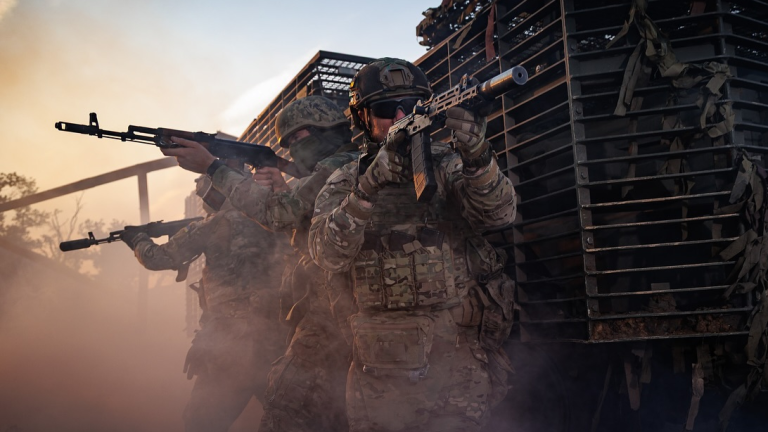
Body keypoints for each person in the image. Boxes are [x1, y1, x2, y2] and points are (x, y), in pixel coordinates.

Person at [308, 58, 517, 432]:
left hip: (457, 364)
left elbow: (499, 215)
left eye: (411, 105)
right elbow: (327, 254)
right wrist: (367, 189)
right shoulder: (346, 180)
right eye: (386, 109)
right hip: (380, 374)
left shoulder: (446, 164)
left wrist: (477, 154)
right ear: (363, 118)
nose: (400, 116)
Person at [158, 95, 360, 432]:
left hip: (327, 319)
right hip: (315, 318)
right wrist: (282, 188)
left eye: (299, 137)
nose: (293, 149)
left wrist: (212, 167)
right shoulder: (340, 169)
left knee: (288, 412)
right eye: (288, 142)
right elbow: (303, 228)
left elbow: (280, 215)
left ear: (325, 129)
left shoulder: (339, 167)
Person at [120, 171, 288, 432]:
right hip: (277, 340)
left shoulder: (214, 224)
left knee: (202, 423)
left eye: (206, 194)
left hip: (231, 345)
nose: (205, 201)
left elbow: (157, 258)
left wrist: (138, 240)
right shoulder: (275, 216)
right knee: (289, 419)